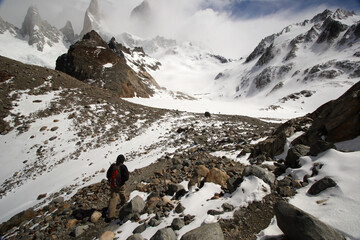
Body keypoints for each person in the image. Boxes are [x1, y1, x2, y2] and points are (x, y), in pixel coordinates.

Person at [106, 154, 129, 220]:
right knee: (122, 193)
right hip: (121, 185)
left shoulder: (113, 166)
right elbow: (126, 177)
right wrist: (122, 182)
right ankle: (123, 204)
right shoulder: (123, 167)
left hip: (113, 185)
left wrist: (111, 181)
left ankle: (110, 215)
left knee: (113, 198)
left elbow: (107, 175)